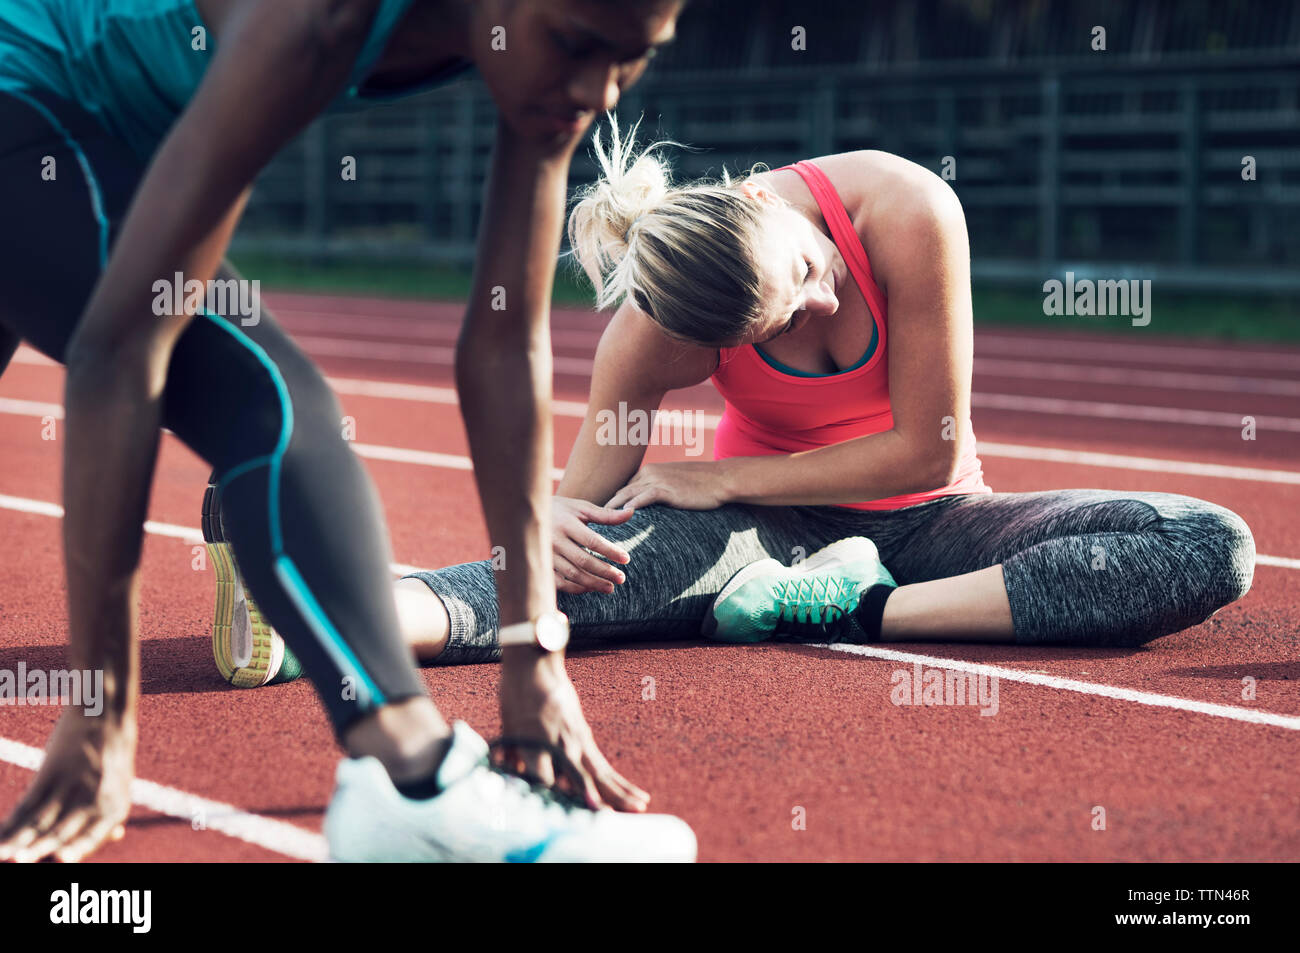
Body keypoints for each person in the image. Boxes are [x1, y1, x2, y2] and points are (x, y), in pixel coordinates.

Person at [0, 0, 698, 863]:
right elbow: (118, 351)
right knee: (272, 404)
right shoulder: (314, 21)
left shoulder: (551, 71)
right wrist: (100, 706)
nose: (598, 89)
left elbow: (505, 337)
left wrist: (532, 647)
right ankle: (413, 779)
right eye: (579, 45)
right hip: (28, 101)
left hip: (95, 136)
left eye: (633, 59)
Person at [224, 116, 1257, 667]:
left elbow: (926, 451)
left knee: (1204, 541)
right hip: (767, 536)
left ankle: (851, 612)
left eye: (808, 274)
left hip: (937, 522)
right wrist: (550, 512)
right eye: (778, 324)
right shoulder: (654, 332)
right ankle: (300, 609)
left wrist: (715, 477)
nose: (820, 304)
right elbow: (580, 498)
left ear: (765, 196)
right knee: (557, 588)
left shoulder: (908, 208)